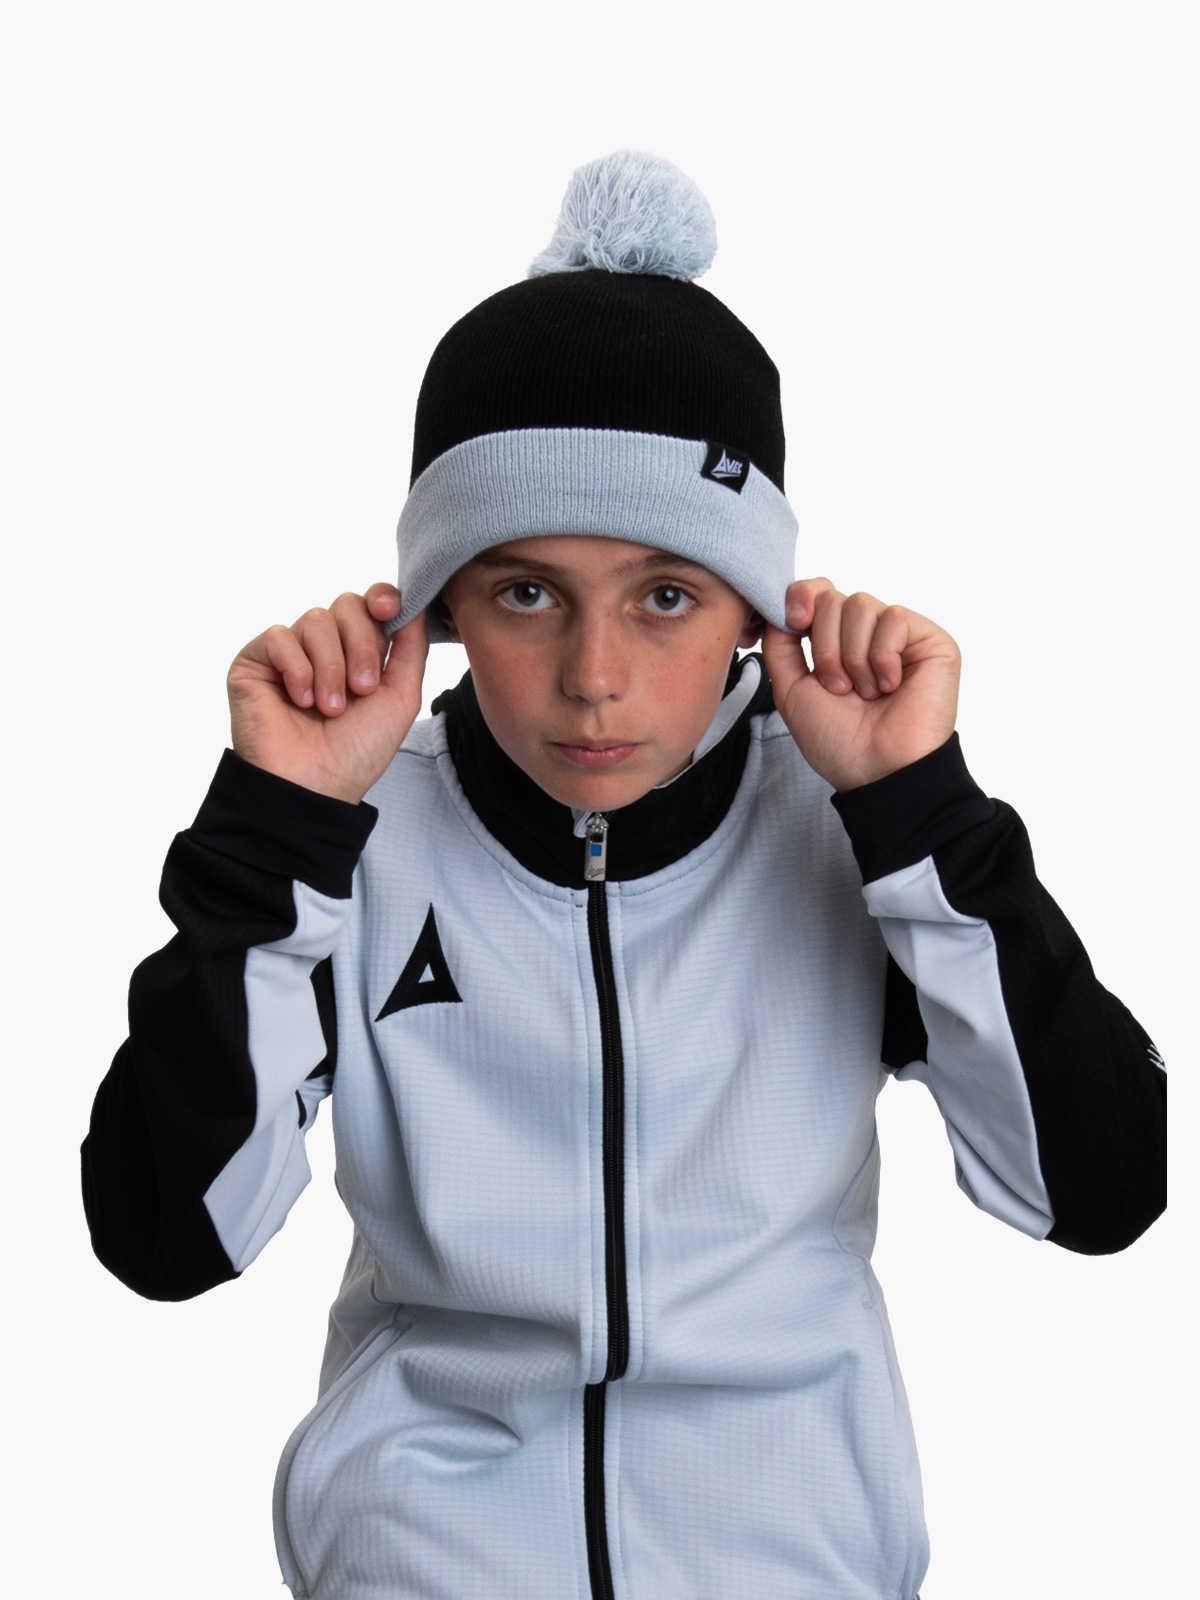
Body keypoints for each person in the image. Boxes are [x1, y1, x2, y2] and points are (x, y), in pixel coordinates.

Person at [81, 151, 1166, 1600]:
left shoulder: (855, 835)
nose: (594, 677)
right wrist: (275, 831)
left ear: (757, 612)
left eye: (666, 595)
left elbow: (1101, 1191)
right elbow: (166, 1238)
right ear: (440, 611)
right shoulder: (354, 843)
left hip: (792, 1568)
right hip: (423, 1564)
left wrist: (923, 811)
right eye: (526, 592)